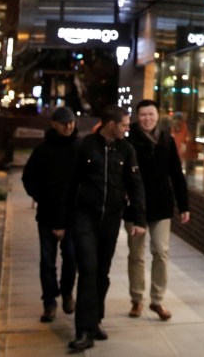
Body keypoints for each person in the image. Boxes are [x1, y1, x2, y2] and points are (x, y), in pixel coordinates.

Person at [52, 104, 147, 352]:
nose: (128, 128)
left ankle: (95, 320)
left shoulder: (126, 150)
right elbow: (70, 185)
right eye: (125, 124)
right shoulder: (85, 146)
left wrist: (139, 219)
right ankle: (84, 330)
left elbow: (135, 184)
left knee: (102, 272)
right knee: (89, 268)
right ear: (111, 124)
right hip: (85, 217)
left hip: (111, 220)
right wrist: (61, 222)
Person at [124, 99, 190, 320]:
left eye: (151, 114)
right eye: (143, 115)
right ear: (137, 116)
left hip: (162, 205)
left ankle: (157, 300)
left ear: (157, 115)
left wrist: (184, 205)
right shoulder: (128, 141)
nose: (147, 118)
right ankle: (136, 299)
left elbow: (176, 175)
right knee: (136, 255)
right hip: (135, 207)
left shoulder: (166, 140)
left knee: (161, 252)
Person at [21, 106, 80, 323]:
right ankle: (49, 302)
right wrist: (42, 198)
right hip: (47, 215)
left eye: (71, 122)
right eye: (64, 123)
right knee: (47, 261)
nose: (68, 126)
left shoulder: (79, 149)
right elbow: (29, 178)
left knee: (71, 258)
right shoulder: (43, 150)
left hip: (72, 216)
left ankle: (66, 293)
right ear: (54, 125)